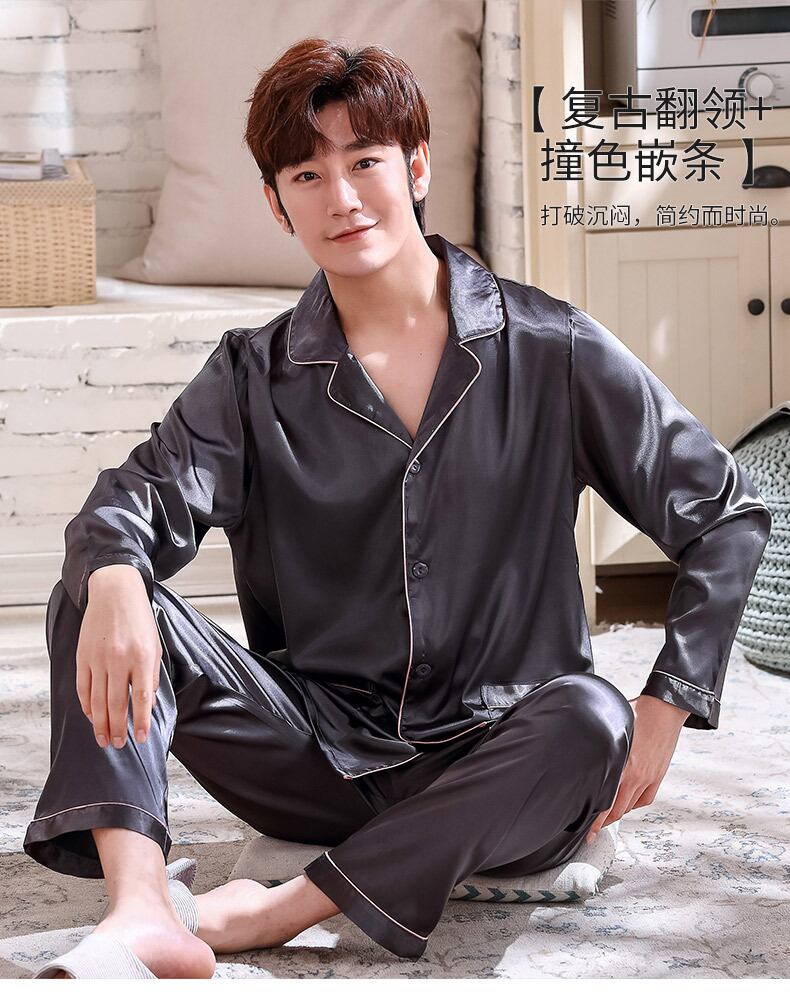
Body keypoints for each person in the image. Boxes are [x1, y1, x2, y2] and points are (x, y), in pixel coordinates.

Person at [23, 38, 772, 976]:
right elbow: (134, 498)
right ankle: (142, 909)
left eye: (365, 161)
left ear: (416, 168)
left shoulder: (552, 347)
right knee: (95, 589)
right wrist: (116, 575)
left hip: (510, 765)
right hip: (318, 759)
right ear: (276, 202)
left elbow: (725, 515)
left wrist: (667, 703)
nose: (340, 197)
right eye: (307, 174)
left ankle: (285, 909)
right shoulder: (253, 375)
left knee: (590, 713)